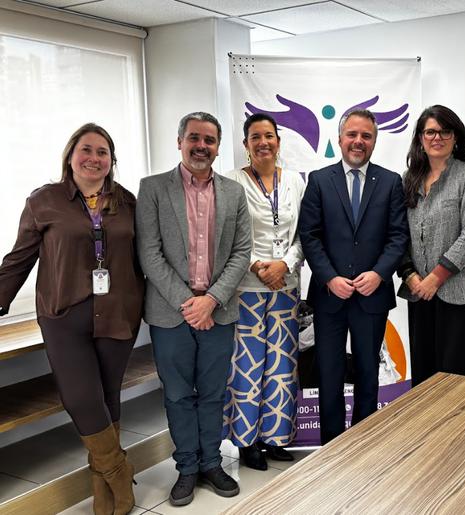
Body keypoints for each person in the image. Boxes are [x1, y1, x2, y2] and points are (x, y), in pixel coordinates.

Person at [0, 123, 144, 515]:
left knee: (107, 395)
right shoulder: (44, 201)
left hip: (118, 312)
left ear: (112, 160)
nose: (94, 158)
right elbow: (19, 258)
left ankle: (104, 492)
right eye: (86, 149)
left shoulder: (127, 202)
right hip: (63, 314)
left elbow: (143, 258)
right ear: (70, 155)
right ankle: (119, 472)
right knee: (81, 398)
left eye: (102, 152)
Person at [136, 112, 251, 506]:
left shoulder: (234, 193)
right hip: (170, 313)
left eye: (209, 140)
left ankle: (212, 463)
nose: (202, 146)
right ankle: (187, 467)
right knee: (178, 394)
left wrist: (211, 300)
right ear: (180, 141)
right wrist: (189, 305)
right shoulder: (152, 188)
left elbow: (241, 252)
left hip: (218, 310)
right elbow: (149, 254)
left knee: (214, 393)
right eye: (194, 138)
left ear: (218, 146)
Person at [299, 109, 409, 444]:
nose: (358, 141)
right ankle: (332, 447)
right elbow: (310, 235)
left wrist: (379, 274)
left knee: (367, 373)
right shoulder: (320, 180)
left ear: (374, 141)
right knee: (329, 374)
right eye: (352, 134)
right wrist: (329, 278)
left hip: (372, 296)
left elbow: (398, 237)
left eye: (366, 136)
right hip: (329, 296)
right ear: (340, 139)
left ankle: (363, 446)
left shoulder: (390, 182)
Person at [223, 113, 305, 470]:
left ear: (278, 141)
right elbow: (229, 236)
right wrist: (258, 266)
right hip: (247, 288)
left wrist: (285, 264)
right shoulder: (231, 182)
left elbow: (304, 233)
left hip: (286, 286)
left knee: (282, 365)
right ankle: (247, 441)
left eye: (269, 136)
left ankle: (275, 437)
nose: (263, 143)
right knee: (248, 364)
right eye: (255, 137)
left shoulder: (296, 182)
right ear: (246, 144)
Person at [397, 105, 465, 387]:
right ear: (420, 138)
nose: (437, 138)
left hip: (460, 293)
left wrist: (435, 278)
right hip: (420, 293)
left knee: (461, 379)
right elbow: (398, 233)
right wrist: (410, 275)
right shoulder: (408, 179)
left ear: (456, 137)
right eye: (430, 132)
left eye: (445, 131)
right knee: (425, 377)